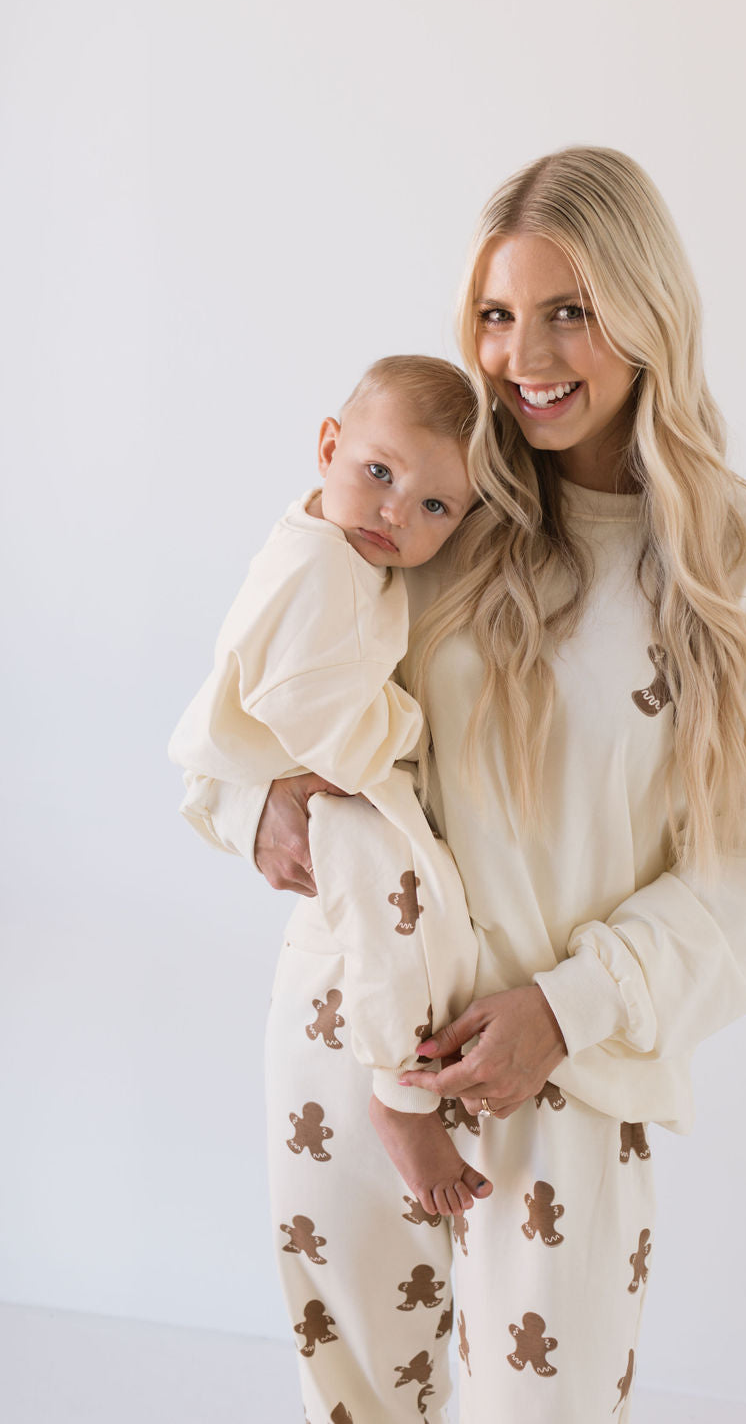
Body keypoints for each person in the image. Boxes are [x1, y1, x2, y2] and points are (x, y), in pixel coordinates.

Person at [180, 147, 746, 1424]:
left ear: (646, 314)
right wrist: (249, 804)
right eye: (495, 313)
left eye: (568, 311)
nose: (522, 353)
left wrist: (565, 1004)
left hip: (561, 1070)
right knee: (358, 1402)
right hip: (349, 1036)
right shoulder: (426, 501)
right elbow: (242, 700)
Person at [170, 355, 492, 1216]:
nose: (395, 512)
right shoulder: (325, 571)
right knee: (400, 905)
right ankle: (401, 1092)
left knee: (412, 908)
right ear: (327, 445)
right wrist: (409, 733)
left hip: (278, 770)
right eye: (379, 474)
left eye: (434, 506)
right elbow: (312, 712)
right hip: (290, 778)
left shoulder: (336, 542)